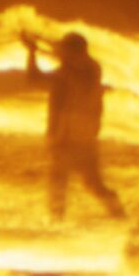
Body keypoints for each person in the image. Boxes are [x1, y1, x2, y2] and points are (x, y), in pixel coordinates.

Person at [23, 30, 126, 220]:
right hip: (63, 137)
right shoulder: (66, 71)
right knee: (57, 181)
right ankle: (57, 220)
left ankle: (118, 214)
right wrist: (32, 52)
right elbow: (34, 79)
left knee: (91, 184)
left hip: (81, 138)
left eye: (66, 50)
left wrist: (47, 49)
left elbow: (79, 78)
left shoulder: (89, 69)